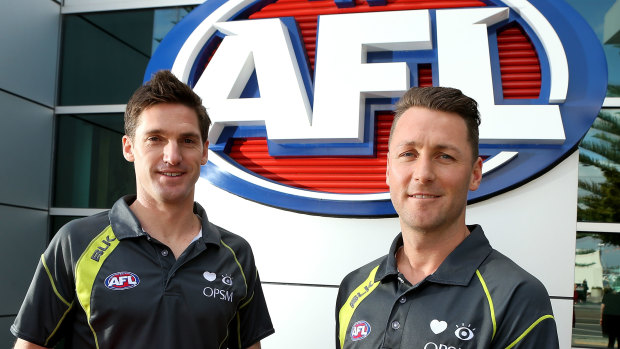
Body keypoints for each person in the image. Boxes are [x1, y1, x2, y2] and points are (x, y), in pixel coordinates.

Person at [11, 70, 274, 349]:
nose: (172, 157)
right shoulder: (75, 243)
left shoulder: (236, 254)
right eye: (155, 139)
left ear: (204, 151)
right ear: (129, 148)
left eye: (187, 140)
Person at [335, 87, 559, 348]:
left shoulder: (516, 296)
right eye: (408, 154)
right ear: (388, 170)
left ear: (475, 174)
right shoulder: (355, 286)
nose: (423, 174)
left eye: (444, 156)